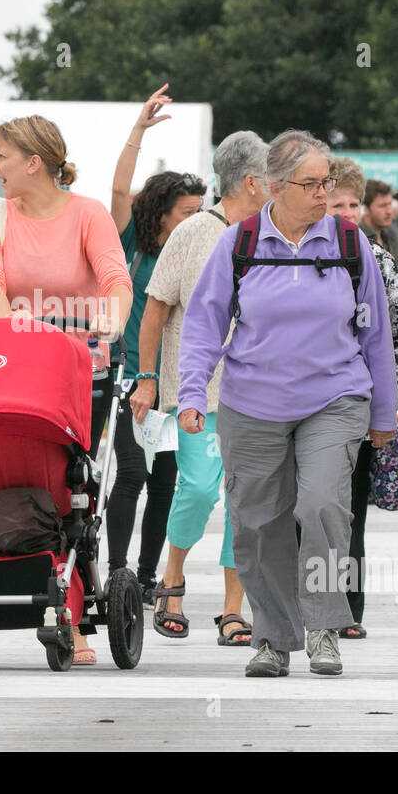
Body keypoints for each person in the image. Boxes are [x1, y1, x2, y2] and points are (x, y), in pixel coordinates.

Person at [178, 129, 397, 679]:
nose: (324, 193)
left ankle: (323, 627)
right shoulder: (239, 243)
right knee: (256, 522)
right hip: (252, 402)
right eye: (312, 184)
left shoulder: (350, 245)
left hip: (335, 396)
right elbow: (204, 325)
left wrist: (385, 413)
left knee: (322, 504)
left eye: (327, 183)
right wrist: (190, 393)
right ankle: (273, 636)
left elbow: (377, 334)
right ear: (275, 187)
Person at [0, 113, 133, 666]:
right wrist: (29, 335)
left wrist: (109, 320)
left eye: (2, 157)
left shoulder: (88, 215)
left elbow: (115, 279)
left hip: (76, 371)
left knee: (70, 491)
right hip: (11, 368)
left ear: (34, 162)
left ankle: (74, 610)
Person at [130, 131, 270, 644]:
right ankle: (172, 582)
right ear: (252, 181)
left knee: (245, 499)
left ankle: (234, 608)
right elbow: (155, 309)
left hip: (255, 393)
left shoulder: (270, 234)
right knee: (201, 486)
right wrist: (147, 380)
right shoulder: (194, 233)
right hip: (198, 392)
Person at [104, 84, 203, 608]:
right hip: (132, 377)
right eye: (187, 211)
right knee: (132, 473)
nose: (196, 219)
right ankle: (117, 572)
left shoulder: (200, 253)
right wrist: (138, 130)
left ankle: (145, 578)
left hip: (179, 383)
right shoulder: (133, 245)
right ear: (162, 212)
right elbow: (121, 193)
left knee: (167, 482)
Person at [325, 157, 398, 640]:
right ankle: (306, 607)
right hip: (302, 405)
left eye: (353, 203)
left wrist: (395, 401)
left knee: (352, 514)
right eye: (336, 202)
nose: (346, 212)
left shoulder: (377, 259)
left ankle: (349, 611)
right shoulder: (299, 257)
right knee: (307, 510)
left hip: (359, 408)